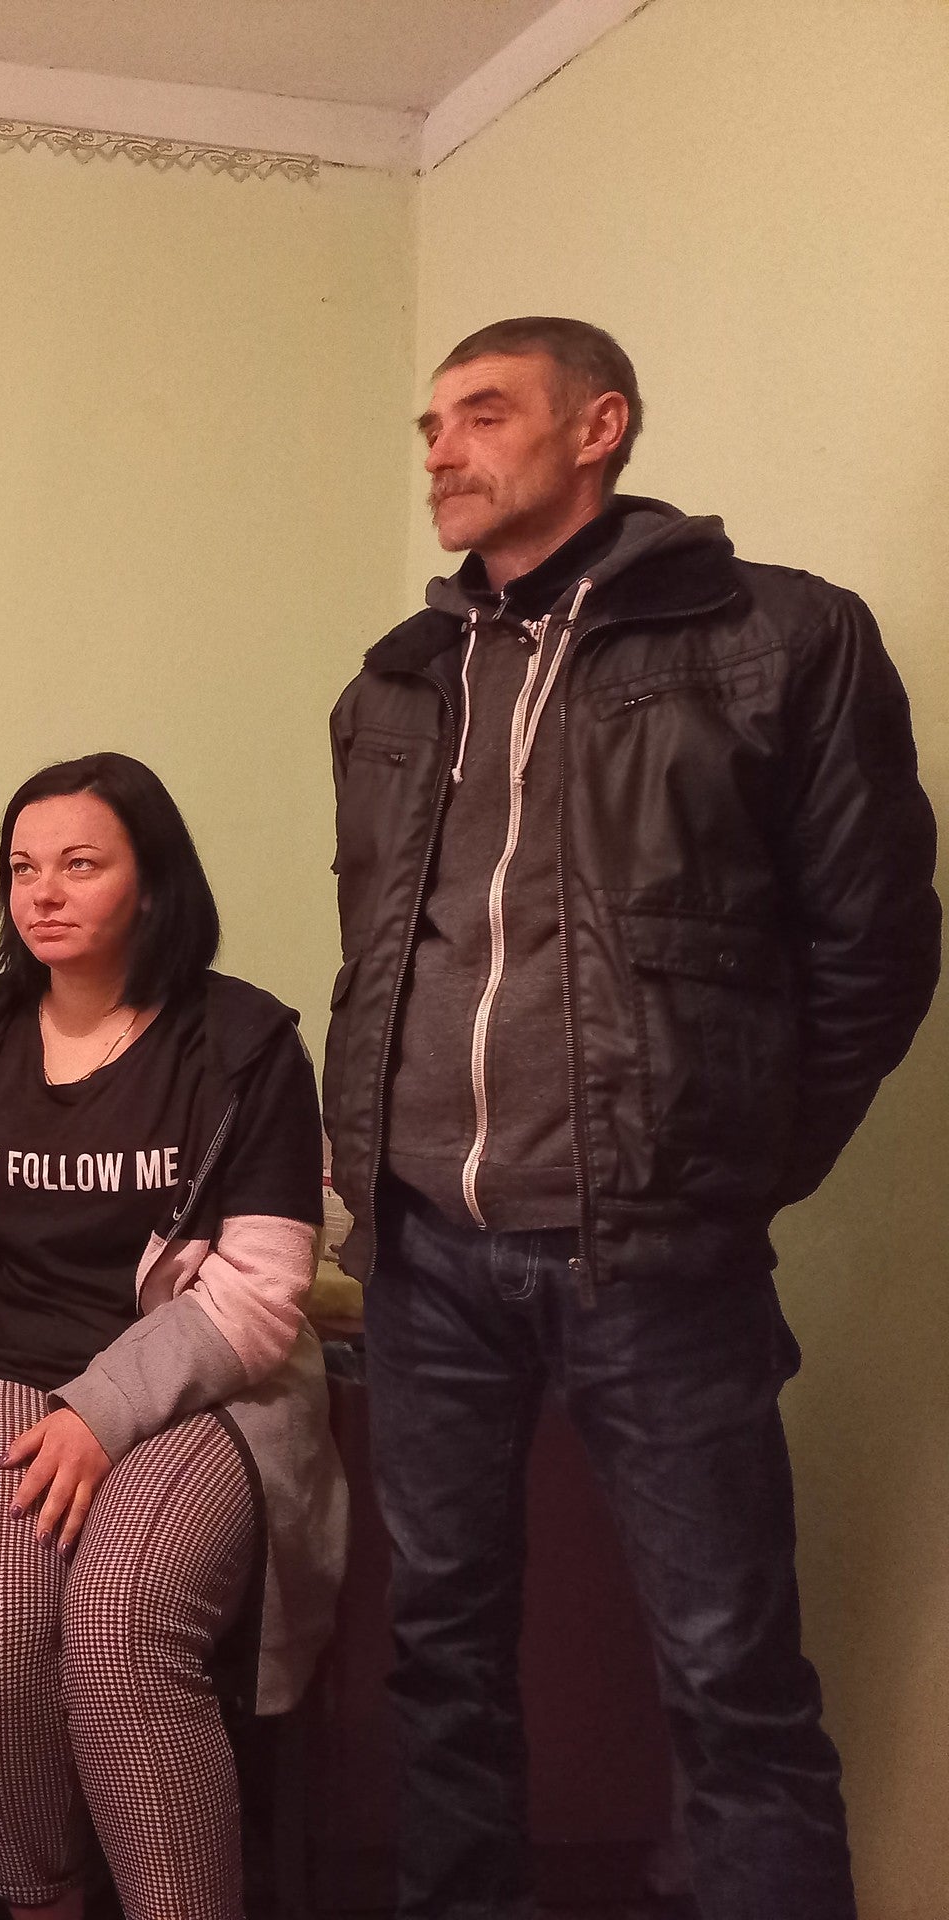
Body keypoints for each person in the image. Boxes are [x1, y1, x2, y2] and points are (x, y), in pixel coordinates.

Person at [325, 316, 939, 1920]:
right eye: (430, 423)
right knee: (442, 1657)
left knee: (732, 1668)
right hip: (425, 1257)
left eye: (482, 414)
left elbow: (876, 950)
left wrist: (720, 1163)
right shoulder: (397, 678)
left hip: (657, 1261)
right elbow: (384, 958)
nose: (442, 448)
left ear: (600, 428)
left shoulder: (777, 641)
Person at [0, 753, 344, 1920]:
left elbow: (261, 1296)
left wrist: (100, 1411)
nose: (42, 892)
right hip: (4, 1371)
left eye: (79, 865)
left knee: (117, 1632)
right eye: (21, 869)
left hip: (203, 1386)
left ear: (150, 885)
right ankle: (42, 1899)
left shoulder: (244, 1044)